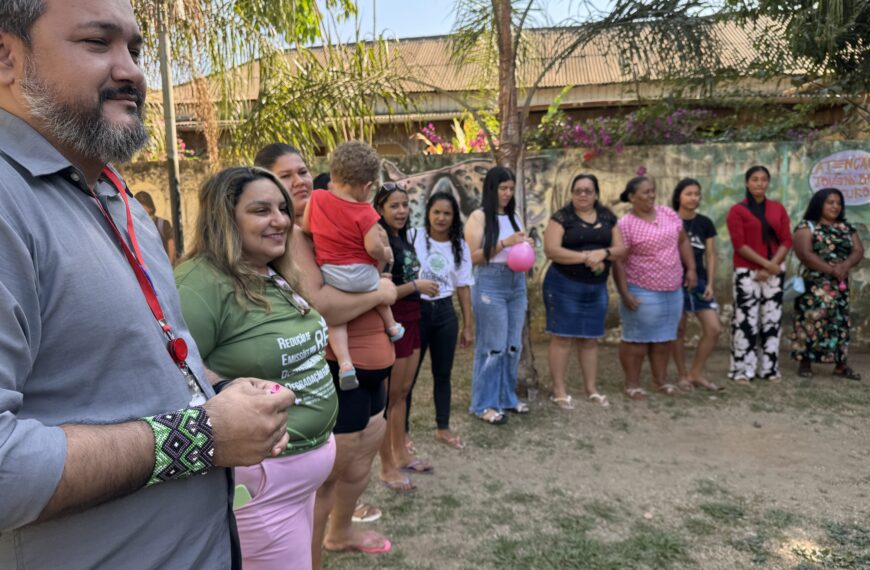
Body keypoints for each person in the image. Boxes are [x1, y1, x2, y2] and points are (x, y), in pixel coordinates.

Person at [0, 2, 294, 567]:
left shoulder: (113, 198)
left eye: (134, 49)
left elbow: (121, 367)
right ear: (6, 55)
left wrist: (219, 393)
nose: (131, 70)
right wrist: (201, 437)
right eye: (96, 42)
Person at [175, 167, 339, 570]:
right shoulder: (199, 285)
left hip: (299, 479)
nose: (281, 220)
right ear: (225, 218)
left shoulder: (272, 272)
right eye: (261, 210)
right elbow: (173, 376)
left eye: (283, 208)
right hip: (261, 485)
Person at [253, 143, 396, 565]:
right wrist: (382, 290)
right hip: (335, 369)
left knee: (361, 460)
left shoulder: (330, 214)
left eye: (302, 171)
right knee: (330, 477)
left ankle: (341, 531)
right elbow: (324, 305)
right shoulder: (292, 236)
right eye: (286, 175)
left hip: (374, 361)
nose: (299, 180)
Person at [303, 141, 403, 390]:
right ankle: (392, 326)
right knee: (379, 288)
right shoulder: (365, 212)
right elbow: (372, 248)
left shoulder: (316, 198)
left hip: (331, 274)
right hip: (361, 274)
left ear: (333, 174)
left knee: (337, 321)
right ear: (367, 186)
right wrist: (386, 252)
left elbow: (306, 228)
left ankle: (345, 363)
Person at [374, 182, 439, 485]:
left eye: (404, 205)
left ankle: (402, 455)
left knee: (402, 395)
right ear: (380, 209)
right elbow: (380, 291)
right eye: (393, 206)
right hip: (394, 321)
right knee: (389, 400)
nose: (401, 211)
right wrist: (415, 286)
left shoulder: (402, 238)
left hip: (414, 317)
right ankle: (387, 466)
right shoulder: (381, 243)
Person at [543, 174, 626, 409]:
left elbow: (620, 248)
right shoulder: (562, 218)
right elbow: (552, 250)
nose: (582, 195)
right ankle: (559, 390)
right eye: (578, 190)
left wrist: (605, 254)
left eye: (588, 191)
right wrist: (587, 257)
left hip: (596, 288)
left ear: (596, 194)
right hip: (563, 285)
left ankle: (591, 388)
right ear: (572, 194)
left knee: (590, 339)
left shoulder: (608, 217)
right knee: (562, 337)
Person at [613, 176, 697, 400]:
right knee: (637, 340)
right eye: (645, 192)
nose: (651, 195)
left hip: (672, 288)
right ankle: (632, 384)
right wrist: (625, 292)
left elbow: (682, 241)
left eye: (652, 191)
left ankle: (660, 381)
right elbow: (618, 261)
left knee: (663, 338)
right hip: (641, 288)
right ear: (632, 197)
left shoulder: (668, 214)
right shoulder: (625, 225)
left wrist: (691, 268)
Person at [464, 166, 533, 424]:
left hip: (517, 283)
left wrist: (527, 245)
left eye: (510, 188)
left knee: (512, 345)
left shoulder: (514, 216)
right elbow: (473, 257)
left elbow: (520, 248)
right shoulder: (479, 217)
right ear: (491, 189)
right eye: (503, 188)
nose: (507, 193)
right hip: (490, 283)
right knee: (492, 346)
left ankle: (506, 398)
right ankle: (483, 404)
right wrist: (505, 243)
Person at [406, 191, 474, 449]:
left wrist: (468, 326)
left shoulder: (460, 245)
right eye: (436, 212)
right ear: (428, 213)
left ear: (454, 216)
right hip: (416, 311)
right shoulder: (413, 237)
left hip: (445, 313)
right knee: (407, 376)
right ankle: (402, 431)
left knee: (442, 374)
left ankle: (443, 428)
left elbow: (464, 286)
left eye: (447, 213)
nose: (441, 218)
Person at [726, 165, 793, 384]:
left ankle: (769, 369)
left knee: (771, 320)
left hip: (774, 271)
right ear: (747, 183)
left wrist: (772, 266)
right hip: (747, 272)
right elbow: (739, 245)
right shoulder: (738, 210)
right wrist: (765, 265)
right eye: (754, 179)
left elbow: (786, 240)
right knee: (746, 320)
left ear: (768, 183)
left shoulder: (778, 209)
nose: (759, 183)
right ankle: (742, 370)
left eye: (764, 179)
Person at [790, 188, 864, 380]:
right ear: (819, 204)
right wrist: (832, 270)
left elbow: (858, 250)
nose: (835, 206)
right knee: (810, 322)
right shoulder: (806, 227)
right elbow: (805, 254)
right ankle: (805, 362)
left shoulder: (847, 228)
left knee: (839, 324)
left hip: (839, 287)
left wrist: (845, 264)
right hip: (814, 286)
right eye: (830, 202)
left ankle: (841, 365)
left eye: (838, 203)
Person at [670, 179, 723, 391]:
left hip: (699, 282)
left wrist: (710, 282)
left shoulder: (705, 223)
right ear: (679, 196)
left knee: (714, 329)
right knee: (679, 330)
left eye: (696, 194)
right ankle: (682, 375)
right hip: (674, 282)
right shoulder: (670, 221)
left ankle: (696, 373)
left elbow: (710, 254)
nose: (693, 198)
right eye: (688, 193)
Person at [134, 190, 177, 264]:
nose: (140, 209)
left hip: (161, 265)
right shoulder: (135, 225)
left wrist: (169, 264)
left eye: (143, 206)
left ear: (150, 208)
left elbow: (171, 244)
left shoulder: (162, 224)